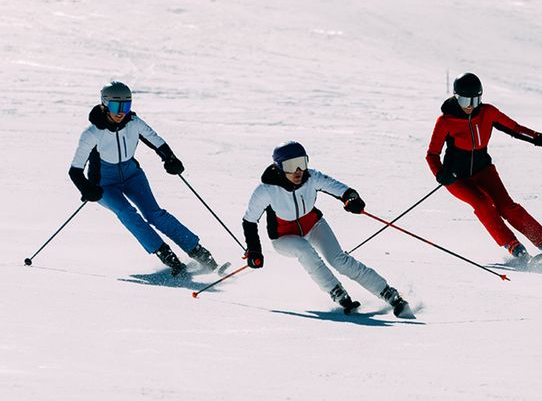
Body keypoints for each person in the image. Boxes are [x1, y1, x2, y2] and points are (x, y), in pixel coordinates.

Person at [242, 141, 410, 316]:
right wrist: (254, 250)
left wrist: (351, 198)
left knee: (339, 260)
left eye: (302, 163)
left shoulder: (311, 177)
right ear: (279, 167)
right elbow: (249, 221)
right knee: (304, 249)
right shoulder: (266, 190)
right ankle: (336, 291)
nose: (299, 170)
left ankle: (389, 293)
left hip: (313, 224)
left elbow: (341, 189)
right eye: (291, 166)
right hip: (283, 237)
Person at [68, 81, 219, 276]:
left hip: (132, 175)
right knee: (126, 212)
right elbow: (75, 170)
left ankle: (199, 252)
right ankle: (166, 255)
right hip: (105, 184)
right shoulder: (92, 133)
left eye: (126, 106)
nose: (121, 112)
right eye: (116, 106)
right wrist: (86, 187)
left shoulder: (134, 123)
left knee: (154, 214)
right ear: (104, 105)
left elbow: (155, 140)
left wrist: (170, 158)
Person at [426, 72, 542, 261]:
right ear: (456, 97)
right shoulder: (445, 121)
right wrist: (440, 173)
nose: (471, 107)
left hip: (484, 170)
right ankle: (513, 246)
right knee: (483, 204)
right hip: (456, 177)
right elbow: (432, 154)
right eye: (466, 101)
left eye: (476, 101)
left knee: (507, 206)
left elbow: (514, 128)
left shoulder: (487, 112)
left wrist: (539, 139)